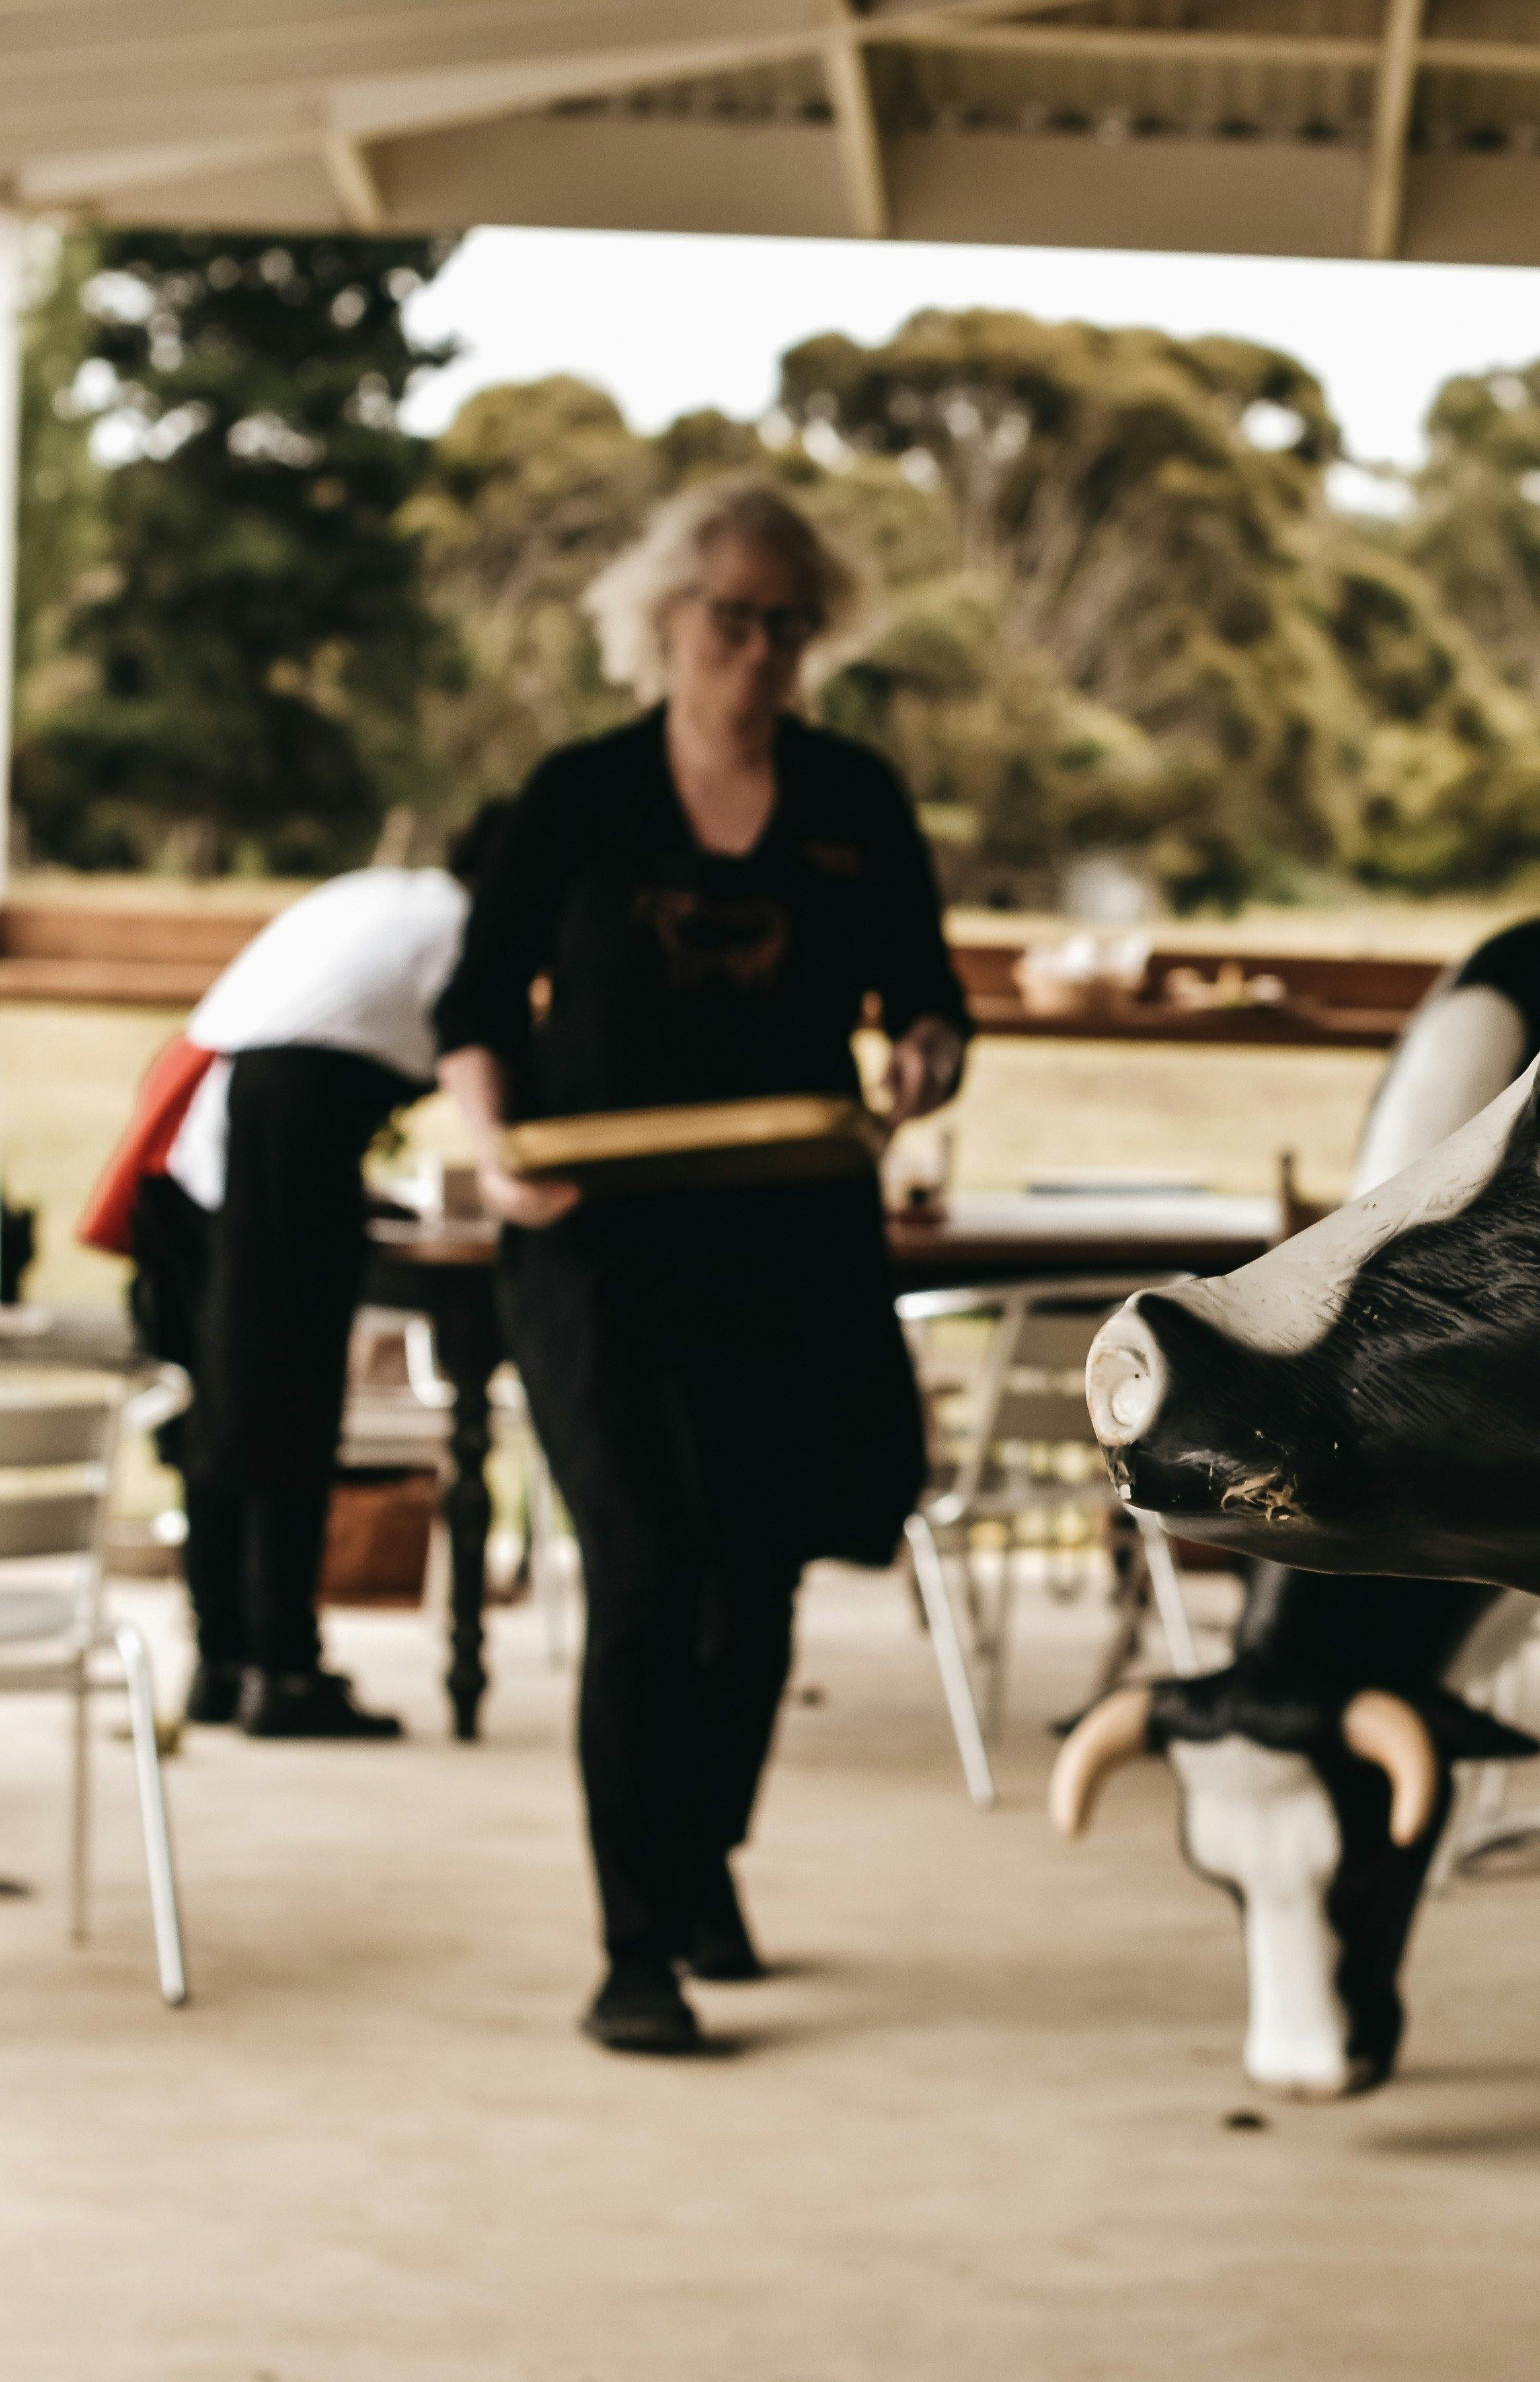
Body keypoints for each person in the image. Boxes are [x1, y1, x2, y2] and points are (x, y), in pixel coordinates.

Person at [434, 480, 969, 2057]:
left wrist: (926, 1059)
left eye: (789, 622)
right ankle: (635, 1944)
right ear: (663, 620)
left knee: (762, 1572)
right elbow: (473, 1002)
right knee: (652, 1567)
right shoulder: (583, 792)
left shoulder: (854, 797)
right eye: (733, 615)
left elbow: (926, 995)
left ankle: (706, 1859)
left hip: (794, 1238)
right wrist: (494, 1144)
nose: (759, 647)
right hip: (593, 1242)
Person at [80, 813, 504, 1738]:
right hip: (279, 1114)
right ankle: (284, 1667)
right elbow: (494, 1073)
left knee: (227, 1398)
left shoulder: (395, 895)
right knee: (286, 1395)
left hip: (203, 1112)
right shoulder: (473, 929)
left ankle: (224, 1660)